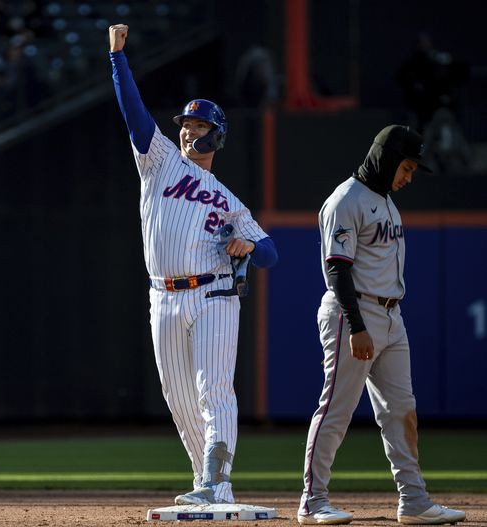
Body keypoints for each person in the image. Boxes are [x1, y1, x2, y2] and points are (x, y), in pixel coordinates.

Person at [108, 24, 278, 506]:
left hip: (213, 293)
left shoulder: (229, 202)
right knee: (178, 396)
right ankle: (207, 484)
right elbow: (136, 117)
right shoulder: (159, 162)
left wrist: (247, 247)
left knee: (214, 390)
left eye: (198, 126)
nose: (187, 131)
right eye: (185, 124)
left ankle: (217, 484)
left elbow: (271, 253)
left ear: (216, 137)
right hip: (162, 294)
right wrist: (117, 58)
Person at [298, 125, 466, 525]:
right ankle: (312, 500)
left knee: (401, 410)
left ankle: (414, 501)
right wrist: (356, 326)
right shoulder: (346, 199)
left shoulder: (386, 201)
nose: (408, 177)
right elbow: (337, 268)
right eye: (406, 167)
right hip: (353, 313)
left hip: (392, 315)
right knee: (337, 410)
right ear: (386, 158)